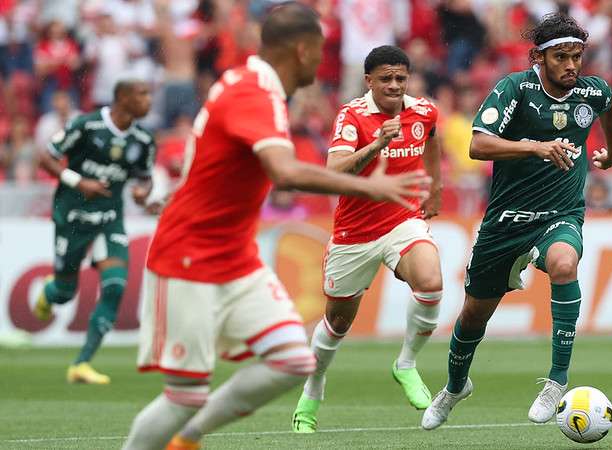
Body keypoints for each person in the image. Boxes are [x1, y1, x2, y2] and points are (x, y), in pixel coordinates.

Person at [121, 4, 430, 450]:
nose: (323, 58)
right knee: (184, 396)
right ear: (303, 50)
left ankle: (186, 440)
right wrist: (367, 187)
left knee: (291, 360)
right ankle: (177, 433)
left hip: (234, 254)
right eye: (321, 49)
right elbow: (284, 172)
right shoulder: (254, 92)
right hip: (188, 254)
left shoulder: (257, 89)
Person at [421, 13, 612, 430]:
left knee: (565, 263)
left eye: (577, 56)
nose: (571, 65)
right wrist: (535, 147)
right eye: (561, 57)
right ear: (540, 58)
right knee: (474, 314)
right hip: (506, 221)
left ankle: (557, 381)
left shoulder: (592, 91)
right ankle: (456, 386)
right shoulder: (515, 88)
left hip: (560, 215)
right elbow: (477, 144)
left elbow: (610, 107)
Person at [291, 45, 443, 433]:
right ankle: (314, 385)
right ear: (368, 81)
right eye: (386, 79)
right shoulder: (353, 115)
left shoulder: (423, 110)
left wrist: (436, 187)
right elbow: (333, 168)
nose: (394, 86)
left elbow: (432, 137)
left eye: (400, 78)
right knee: (337, 322)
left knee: (430, 282)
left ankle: (405, 363)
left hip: (402, 220)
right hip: (353, 233)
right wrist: (376, 144)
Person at [33, 80, 156, 384]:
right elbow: (46, 157)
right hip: (72, 215)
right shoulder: (86, 126)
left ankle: (82, 363)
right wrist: (79, 182)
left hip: (109, 219)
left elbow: (145, 176)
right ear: (123, 98)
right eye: (142, 94)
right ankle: (50, 292)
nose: (148, 101)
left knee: (115, 287)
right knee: (65, 293)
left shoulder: (143, 139)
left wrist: (142, 191)